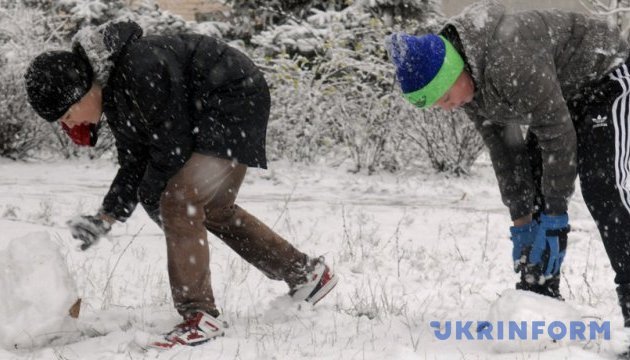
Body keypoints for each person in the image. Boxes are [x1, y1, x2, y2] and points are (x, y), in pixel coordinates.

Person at [24, 20, 339, 349]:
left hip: (231, 99)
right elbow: (135, 163)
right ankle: (306, 274)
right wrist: (106, 217)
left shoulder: (138, 69)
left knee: (180, 200)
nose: (68, 124)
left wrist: (166, 210)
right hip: (215, 110)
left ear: (83, 91)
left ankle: (199, 315)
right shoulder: (115, 97)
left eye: (67, 114)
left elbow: (171, 148)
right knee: (211, 208)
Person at [387, 0, 630, 326]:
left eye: (444, 97)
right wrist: (522, 222)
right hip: (564, 92)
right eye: (439, 105)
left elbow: (557, 135)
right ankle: (537, 307)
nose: (447, 108)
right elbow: (506, 152)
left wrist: (556, 215)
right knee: (537, 184)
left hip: (607, 75)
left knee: (602, 187)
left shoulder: (507, 61)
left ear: (452, 72)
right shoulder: (469, 82)